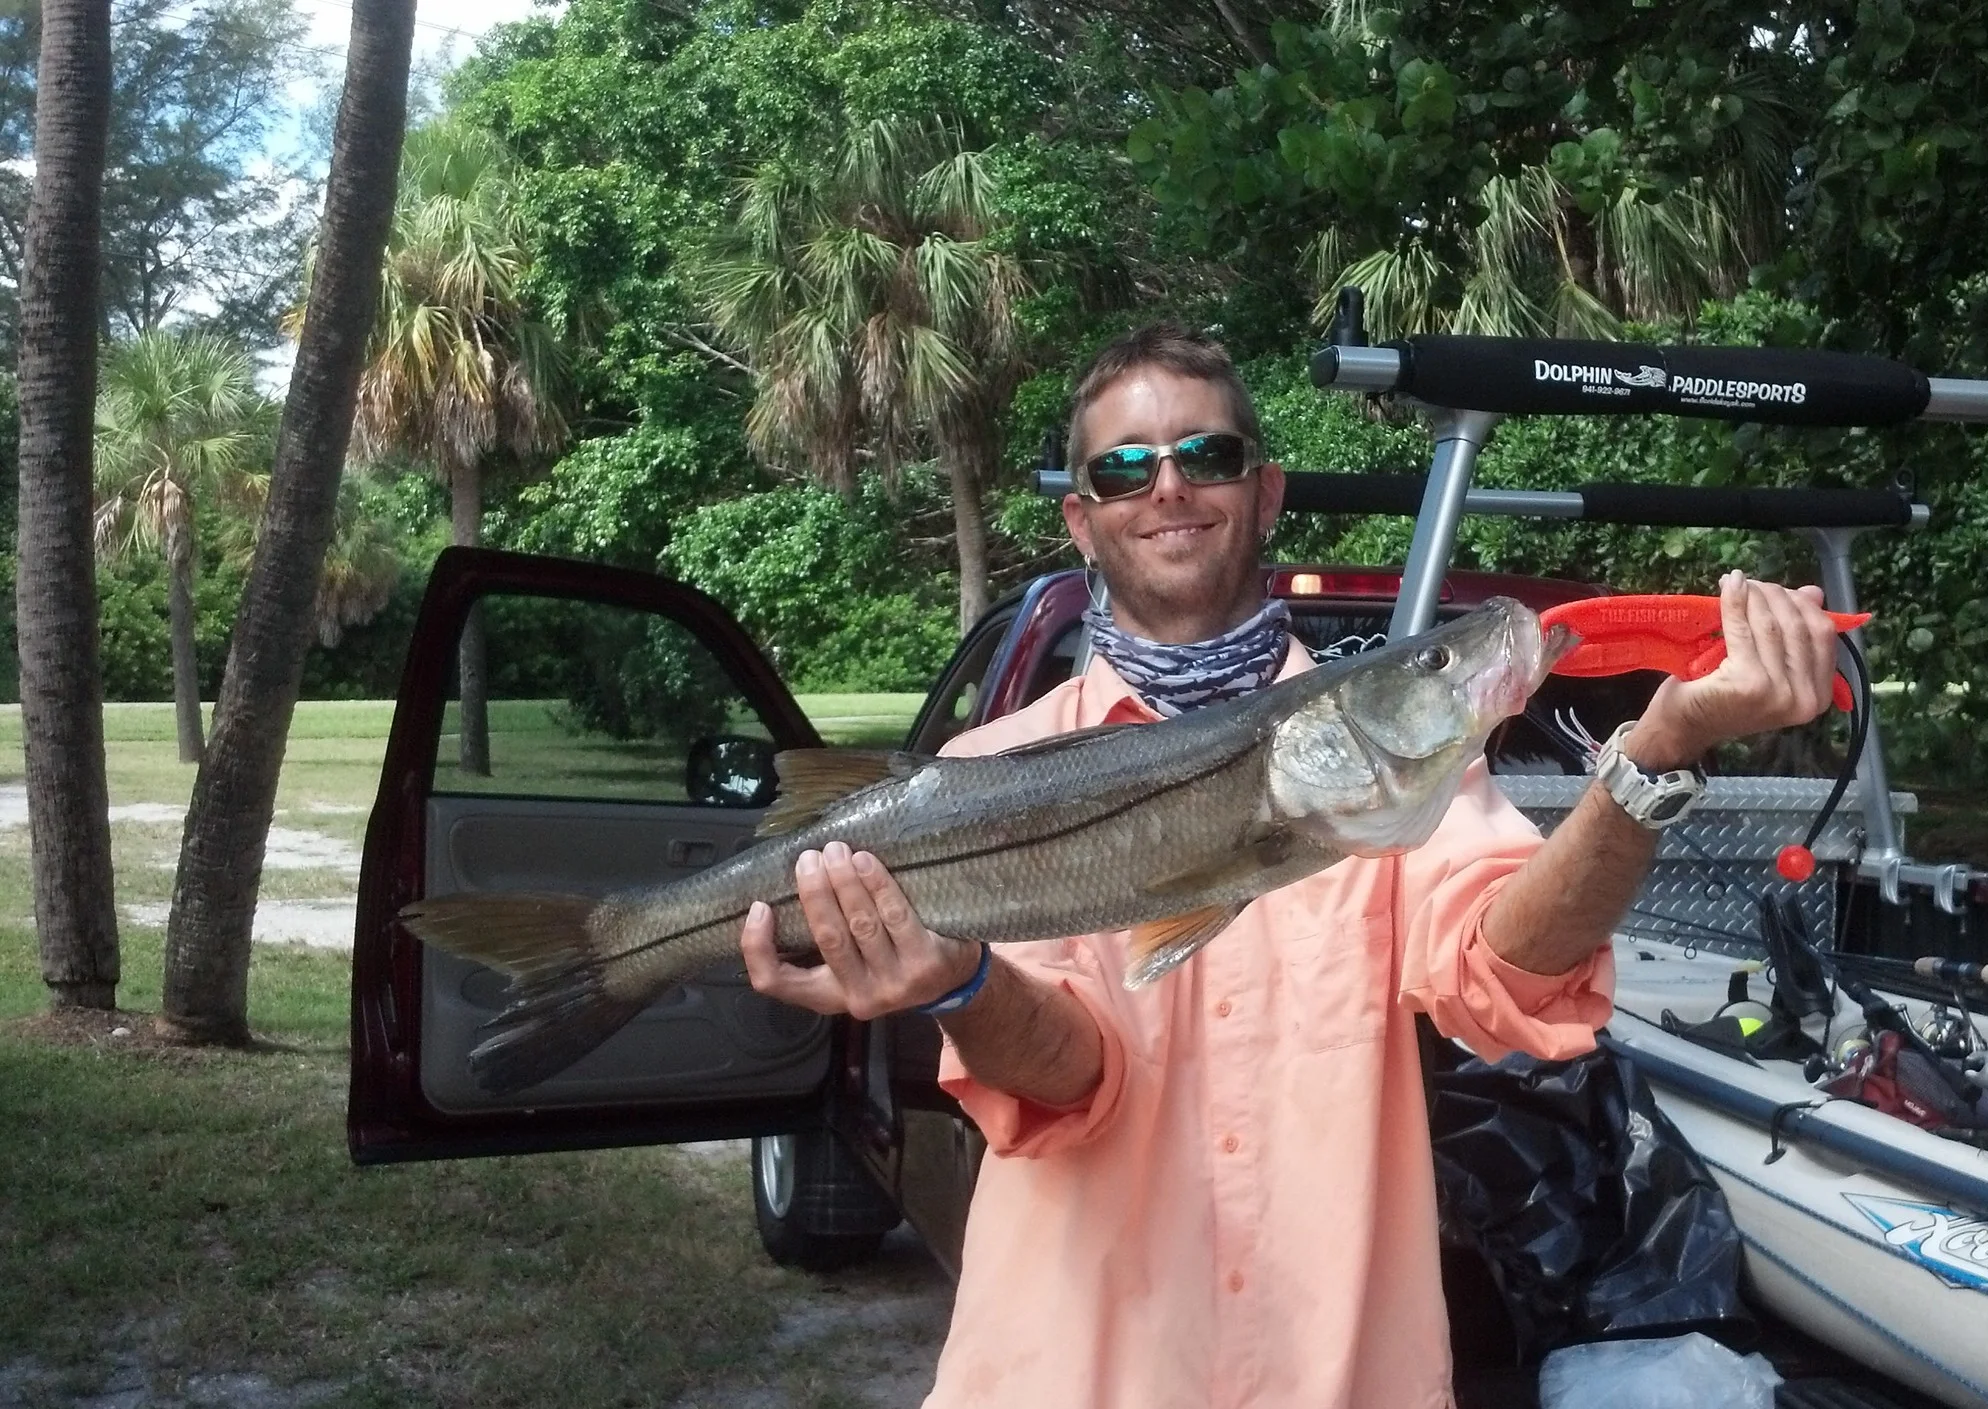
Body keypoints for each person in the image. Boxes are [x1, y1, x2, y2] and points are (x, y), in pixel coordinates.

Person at [737, 323, 1841, 1409]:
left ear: (1265, 493)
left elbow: (1509, 976)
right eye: (1124, 468)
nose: (1168, 486)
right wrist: (962, 984)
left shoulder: (1401, 779)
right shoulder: (990, 774)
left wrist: (1654, 756)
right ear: (1082, 520)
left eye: (1207, 454)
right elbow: (1068, 1081)